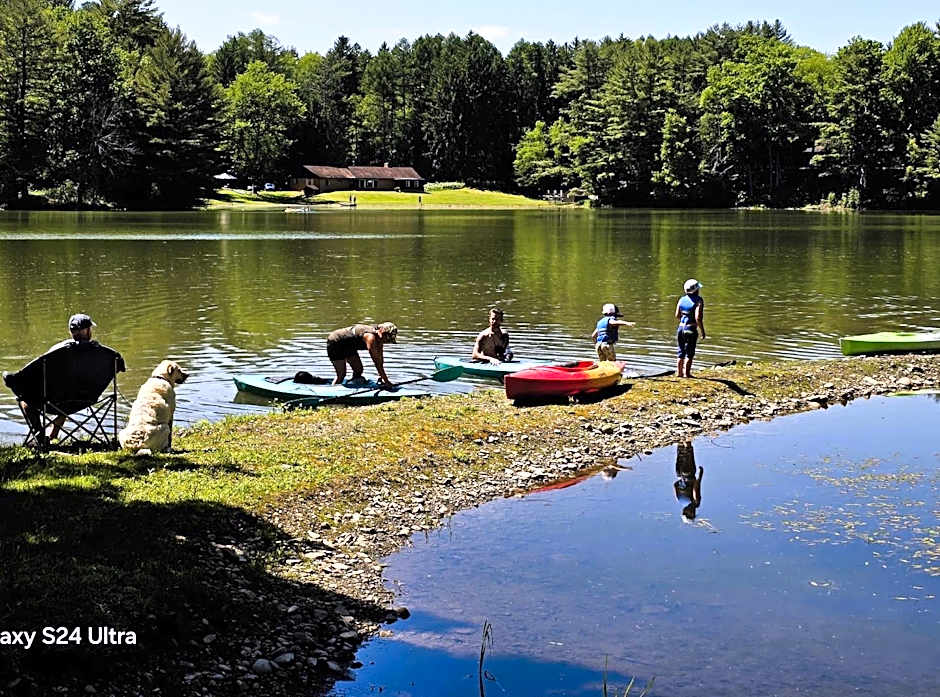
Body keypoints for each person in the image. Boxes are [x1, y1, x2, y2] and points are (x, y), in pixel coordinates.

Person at [5, 313, 100, 443]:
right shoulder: (102, 352)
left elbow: (34, 372)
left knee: (26, 399)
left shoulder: (57, 350)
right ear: (88, 331)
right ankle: (53, 433)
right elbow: (117, 367)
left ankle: (40, 436)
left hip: (54, 401)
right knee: (69, 388)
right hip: (85, 398)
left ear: (71, 331)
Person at [326, 322, 398, 386]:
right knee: (341, 374)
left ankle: (352, 385)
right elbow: (376, 361)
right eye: (387, 338)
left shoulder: (380, 339)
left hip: (349, 346)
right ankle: (334, 390)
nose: (386, 341)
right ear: (381, 331)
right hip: (335, 342)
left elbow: (380, 359)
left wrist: (381, 377)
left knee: (358, 370)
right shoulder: (370, 338)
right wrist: (386, 381)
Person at [675, 279, 706, 378]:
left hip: (681, 328)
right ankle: (687, 374)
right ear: (696, 290)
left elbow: (677, 315)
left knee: (681, 352)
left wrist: (684, 320)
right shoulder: (699, 300)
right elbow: (698, 318)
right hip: (691, 329)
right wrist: (702, 331)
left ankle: (679, 373)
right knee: (690, 353)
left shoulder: (681, 299)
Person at [674, 440, 703, 520]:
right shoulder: (680, 501)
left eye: (691, 515)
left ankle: (686, 435)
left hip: (689, 474)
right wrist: (681, 480)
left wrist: (700, 476)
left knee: (688, 450)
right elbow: (675, 485)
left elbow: (695, 489)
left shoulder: (696, 503)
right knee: (680, 451)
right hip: (679, 475)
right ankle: (679, 437)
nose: (693, 513)